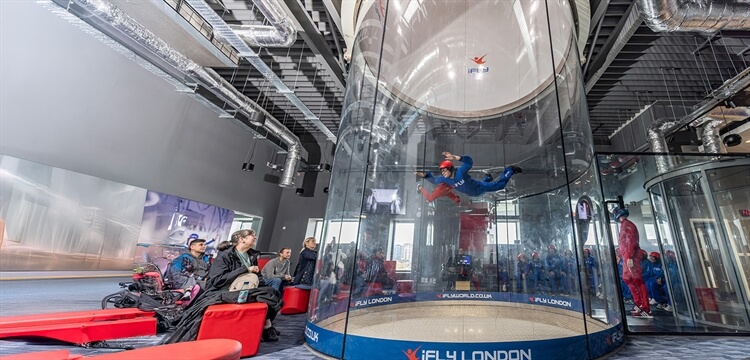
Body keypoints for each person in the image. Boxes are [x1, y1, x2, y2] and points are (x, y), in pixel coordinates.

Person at [206, 229, 279, 341]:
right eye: (252, 236)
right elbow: (217, 280)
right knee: (265, 295)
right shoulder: (225, 256)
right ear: (242, 239)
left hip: (245, 289)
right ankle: (266, 327)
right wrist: (245, 269)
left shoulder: (251, 255)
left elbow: (257, 275)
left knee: (272, 293)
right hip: (224, 291)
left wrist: (261, 285)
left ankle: (264, 326)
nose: (255, 238)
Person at [416, 152, 522, 197]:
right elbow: (434, 181)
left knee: (500, 186)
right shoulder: (446, 180)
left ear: (450, 168)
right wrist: (426, 176)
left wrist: (457, 157)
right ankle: (488, 178)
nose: (443, 173)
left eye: (444, 170)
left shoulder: (460, 173)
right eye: (441, 171)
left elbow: (469, 162)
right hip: (474, 192)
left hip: (479, 187)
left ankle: (509, 170)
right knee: (479, 191)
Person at [614, 207, 652, 318]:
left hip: (632, 257)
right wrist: (621, 256)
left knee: (637, 281)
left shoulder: (627, 224)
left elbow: (631, 240)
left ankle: (645, 307)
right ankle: (638, 303)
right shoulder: (623, 225)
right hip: (627, 257)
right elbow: (624, 243)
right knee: (627, 279)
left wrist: (629, 256)